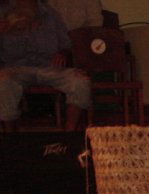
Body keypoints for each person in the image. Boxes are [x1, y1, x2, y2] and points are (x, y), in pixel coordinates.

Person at [0, 0, 91, 131]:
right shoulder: (3, 12)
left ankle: (69, 133)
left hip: (48, 67)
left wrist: (62, 53)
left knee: (80, 81)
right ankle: (10, 136)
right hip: (15, 68)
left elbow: (66, 44)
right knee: (3, 82)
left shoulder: (50, 14)